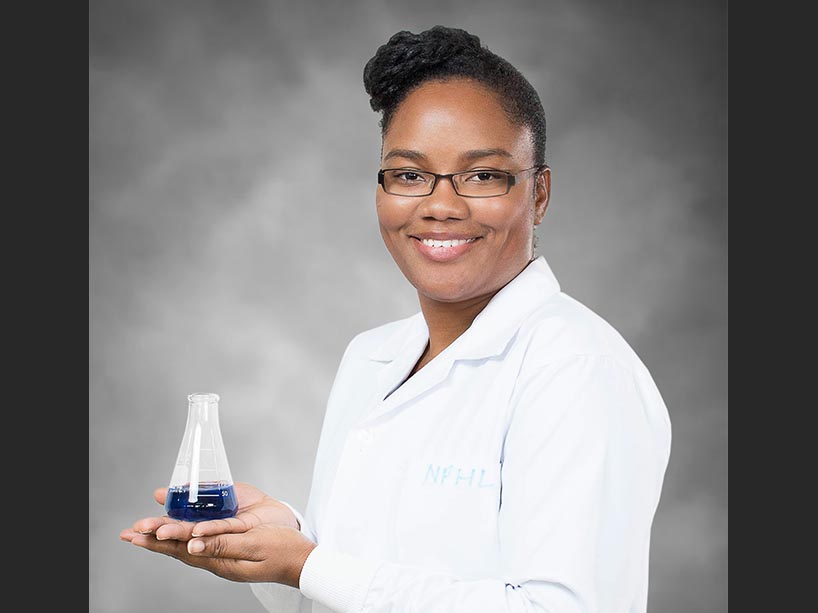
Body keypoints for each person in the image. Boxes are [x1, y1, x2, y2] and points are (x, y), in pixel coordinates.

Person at [120, 25, 672, 613]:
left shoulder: (578, 369)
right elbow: (348, 581)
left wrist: (307, 564)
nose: (440, 205)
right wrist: (284, 545)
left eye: (482, 175)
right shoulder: (372, 357)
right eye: (410, 174)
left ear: (537, 194)